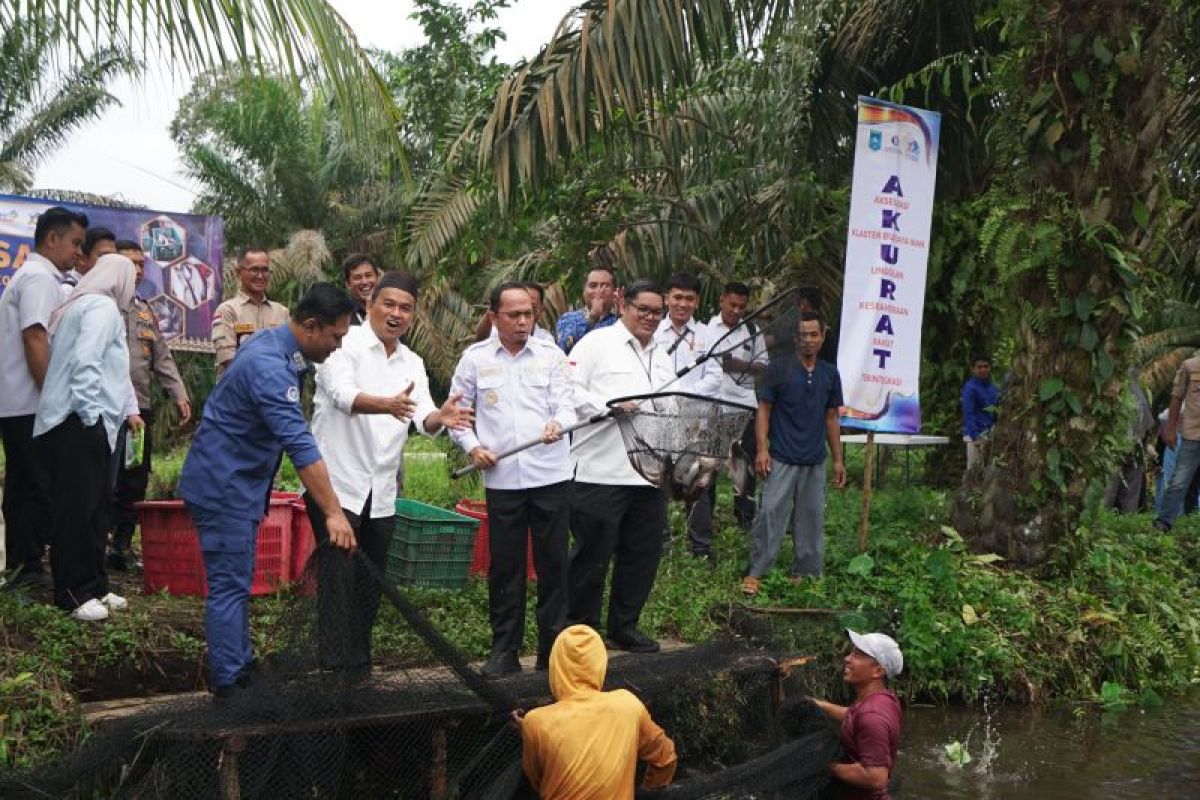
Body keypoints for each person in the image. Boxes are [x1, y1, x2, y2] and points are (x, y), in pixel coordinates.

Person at [179, 284, 358, 701]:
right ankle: (229, 683)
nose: (337, 346)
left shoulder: (281, 347)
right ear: (311, 326)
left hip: (239, 483)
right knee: (228, 585)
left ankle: (242, 666)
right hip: (223, 485)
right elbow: (298, 442)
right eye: (335, 337)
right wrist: (332, 511)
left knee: (236, 581)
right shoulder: (267, 365)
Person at [310, 272, 471, 682]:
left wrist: (442, 417)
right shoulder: (342, 346)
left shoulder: (412, 362)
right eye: (389, 304)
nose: (396, 314)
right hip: (337, 486)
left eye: (405, 308)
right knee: (337, 579)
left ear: (413, 315)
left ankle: (358, 665)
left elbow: (424, 416)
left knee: (370, 580)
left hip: (381, 490)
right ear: (370, 304)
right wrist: (387, 404)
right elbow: (343, 396)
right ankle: (331, 668)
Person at [450, 282, 574, 676]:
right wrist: (472, 447)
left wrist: (559, 422)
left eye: (528, 314)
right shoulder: (474, 359)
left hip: (550, 475)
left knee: (553, 562)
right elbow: (458, 414)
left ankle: (551, 651)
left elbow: (568, 405)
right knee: (505, 565)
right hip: (502, 479)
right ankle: (504, 649)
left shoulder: (551, 356)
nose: (523, 322)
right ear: (494, 316)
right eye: (514, 315)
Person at [33, 254, 142, 621]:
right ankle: (73, 594)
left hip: (84, 422)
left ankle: (96, 586)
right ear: (119, 279)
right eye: (132, 278)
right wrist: (89, 415)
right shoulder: (100, 307)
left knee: (95, 507)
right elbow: (86, 362)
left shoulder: (86, 305)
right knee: (77, 510)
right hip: (78, 422)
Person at [568, 280, 674, 652]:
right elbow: (567, 389)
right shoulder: (596, 345)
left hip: (649, 474)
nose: (649, 317)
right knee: (592, 555)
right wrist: (607, 404)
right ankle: (582, 632)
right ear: (623, 305)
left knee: (641, 555)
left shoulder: (662, 354)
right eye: (642, 309)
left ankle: (624, 627)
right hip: (601, 471)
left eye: (656, 312)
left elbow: (671, 403)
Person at [0, 206, 88, 587]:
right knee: (36, 486)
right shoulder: (38, 277)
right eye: (74, 243)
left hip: (17, 400)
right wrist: (53, 396)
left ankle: (22, 566)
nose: (77, 254)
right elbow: (35, 335)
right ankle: (30, 569)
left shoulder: (35, 275)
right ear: (52, 239)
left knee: (23, 484)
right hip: (32, 401)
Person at [742, 311, 845, 595]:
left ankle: (807, 573)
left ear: (822, 337)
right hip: (782, 455)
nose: (808, 340)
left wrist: (837, 459)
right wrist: (762, 449)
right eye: (802, 335)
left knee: (811, 516)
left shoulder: (829, 373)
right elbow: (764, 409)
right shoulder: (779, 368)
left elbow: (831, 418)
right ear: (795, 337)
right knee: (770, 512)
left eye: (814, 334)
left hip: (815, 458)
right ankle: (757, 572)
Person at [515, 624, 677, 799]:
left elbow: (537, 782)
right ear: (600, 664)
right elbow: (666, 758)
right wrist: (647, 792)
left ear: (556, 667)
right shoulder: (628, 704)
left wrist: (530, 732)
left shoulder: (536, 722)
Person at [108, 240, 192, 571]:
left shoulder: (145, 309)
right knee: (103, 480)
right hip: (105, 409)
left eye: (142, 264)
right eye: (131, 263)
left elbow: (162, 357)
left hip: (139, 411)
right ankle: (94, 543)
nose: (138, 270)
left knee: (134, 477)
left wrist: (179, 394)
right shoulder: (102, 303)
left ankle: (123, 547)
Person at [654, 272, 725, 559]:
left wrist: (683, 396)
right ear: (666, 299)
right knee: (657, 481)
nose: (682, 304)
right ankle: (660, 544)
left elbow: (715, 377)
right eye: (677, 297)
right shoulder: (654, 333)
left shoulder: (708, 335)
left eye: (689, 299)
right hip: (659, 419)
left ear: (697, 302)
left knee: (698, 483)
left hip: (696, 422)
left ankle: (701, 548)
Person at [810, 630, 904, 800]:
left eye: (858, 655)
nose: (847, 658)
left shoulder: (872, 716)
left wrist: (825, 764)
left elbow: (876, 777)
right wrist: (820, 705)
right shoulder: (883, 699)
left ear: (877, 671)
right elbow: (854, 716)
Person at [708, 281, 768, 528]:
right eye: (731, 304)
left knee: (744, 462)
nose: (735, 310)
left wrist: (736, 364)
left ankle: (744, 517)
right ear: (721, 300)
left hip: (744, 406)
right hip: (713, 405)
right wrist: (735, 364)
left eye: (741, 306)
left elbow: (764, 365)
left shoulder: (753, 331)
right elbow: (708, 362)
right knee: (709, 463)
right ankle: (705, 516)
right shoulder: (706, 329)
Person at [211, 247, 290, 378]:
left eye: (265, 270)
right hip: (237, 391)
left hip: (274, 391)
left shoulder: (282, 312)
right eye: (254, 270)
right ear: (238, 272)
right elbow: (228, 360)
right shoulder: (227, 311)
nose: (260, 276)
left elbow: (289, 356)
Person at [1154, 352, 1200, 531]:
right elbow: (1176, 399)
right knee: (1179, 481)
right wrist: (1171, 430)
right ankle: (1163, 522)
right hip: (1192, 436)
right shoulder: (1190, 366)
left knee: (1192, 485)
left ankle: (1191, 518)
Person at [555, 264, 619, 353]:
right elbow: (565, 347)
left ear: (614, 291)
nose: (599, 291)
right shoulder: (568, 319)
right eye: (593, 286)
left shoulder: (619, 320)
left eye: (605, 286)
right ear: (584, 291)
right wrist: (592, 317)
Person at [473, 281, 555, 344]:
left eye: (531, 308)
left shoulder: (546, 341)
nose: (523, 319)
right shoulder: (498, 331)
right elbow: (480, 339)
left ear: (542, 309)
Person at [961, 355, 1000, 473]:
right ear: (973, 369)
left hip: (990, 434)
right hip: (975, 436)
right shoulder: (970, 388)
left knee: (988, 472)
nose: (983, 369)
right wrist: (975, 437)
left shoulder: (993, 388)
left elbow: (996, 413)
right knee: (974, 472)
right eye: (979, 367)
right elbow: (968, 414)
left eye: (986, 366)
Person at [61, 226, 117, 296]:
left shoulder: (104, 289)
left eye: (115, 256)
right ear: (82, 258)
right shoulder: (68, 292)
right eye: (104, 256)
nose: (113, 261)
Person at [341, 253, 381, 325]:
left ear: (377, 278)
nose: (364, 282)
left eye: (368, 275)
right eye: (357, 277)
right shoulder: (342, 314)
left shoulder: (389, 308)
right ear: (347, 284)